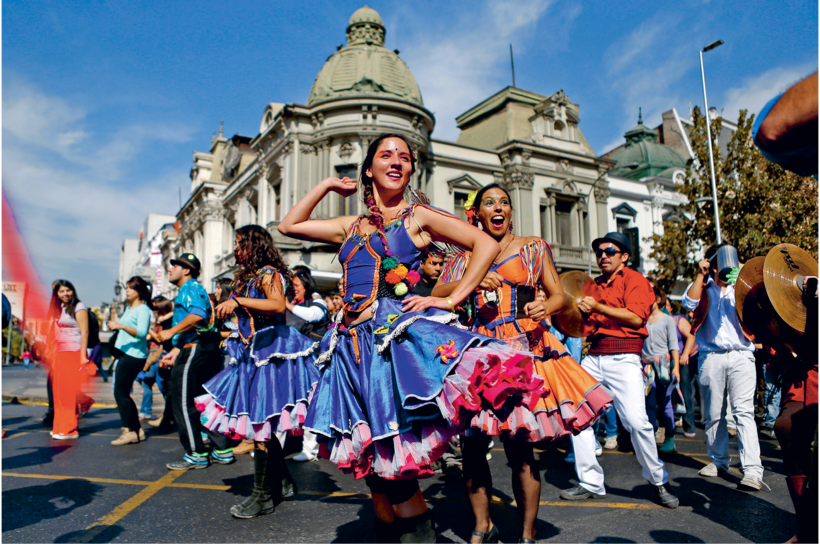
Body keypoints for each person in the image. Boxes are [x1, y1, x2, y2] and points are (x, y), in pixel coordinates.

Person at [278, 133, 550, 543]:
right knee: (373, 471)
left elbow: (482, 246)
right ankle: (394, 535)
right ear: (368, 169)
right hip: (350, 349)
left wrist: (452, 297)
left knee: (393, 459)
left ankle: (420, 535)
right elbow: (289, 225)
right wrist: (327, 186)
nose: (396, 162)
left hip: (390, 347)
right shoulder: (352, 225)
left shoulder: (418, 217)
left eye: (404, 157)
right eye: (386, 155)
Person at [434, 183, 613, 544]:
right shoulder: (463, 255)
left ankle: (527, 533)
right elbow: (438, 293)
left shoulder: (533, 247)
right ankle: (482, 526)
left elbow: (560, 293)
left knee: (520, 446)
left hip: (522, 350)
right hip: (478, 352)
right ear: (478, 214)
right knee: (471, 446)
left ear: (511, 212)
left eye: (504, 202)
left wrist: (545, 306)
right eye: (489, 202)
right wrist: (470, 281)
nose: (497, 207)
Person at [194, 225, 319, 518]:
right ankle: (284, 483)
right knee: (261, 426)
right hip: (251, 355)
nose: (236, 249)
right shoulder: (246, 278)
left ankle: (263, 497)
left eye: (240, 244)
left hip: (271, 355)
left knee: (261, 426)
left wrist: (237, 301)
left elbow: (276, 305)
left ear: (254, 244)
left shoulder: (268, 273)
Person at [561, 232, 679, 508]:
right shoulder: (592, 284)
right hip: (595, 355)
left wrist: (598, 306)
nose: (603, 255)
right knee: (578, 417)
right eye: (599, 251)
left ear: (624, 256)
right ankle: (590, 482)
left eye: (610, 251)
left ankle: (659, 480)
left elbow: (637, 317)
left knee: (637, 423)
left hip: (625, 356)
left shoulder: (635, 280)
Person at [682, 244, 764, 491]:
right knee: (714, 413)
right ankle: (719, 461)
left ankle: (752, 471)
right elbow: (689, 303)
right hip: (711, 356)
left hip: (741, 355)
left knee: (743, 412)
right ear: (712, 263)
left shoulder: (743, 286)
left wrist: (742, 275)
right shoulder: (703, 286)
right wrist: (701, 274)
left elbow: (762, 304)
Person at [155, 253, 236, 470]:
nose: (170, 270)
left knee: (183, 403)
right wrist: (176, 347)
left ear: (187, 270)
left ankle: (197, 453)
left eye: (175, 266)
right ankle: (222, 449)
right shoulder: (195, 289)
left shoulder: (189, 288)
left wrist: (170, 332)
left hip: (194, 351)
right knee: (205, 401)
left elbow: (199, 316)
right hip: (201, 349)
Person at [283, 266, 328, 463]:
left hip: (311, 362)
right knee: (284, 403)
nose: (293, 289)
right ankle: (274, 447)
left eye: (296, 285)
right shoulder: (289, 302)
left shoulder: (316, 299)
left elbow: (316, 316)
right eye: (291, 285)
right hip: (289, 361)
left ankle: (310, 449)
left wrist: (288, 305)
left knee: (309, 405)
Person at [107, 277, 153, 445]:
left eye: (131, 288)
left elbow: (142, 333)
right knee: (122, 392)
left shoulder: (143, 309)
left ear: (139, 291)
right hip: (125, 354)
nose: (127, 291)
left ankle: (130, 430)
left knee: (120, 393)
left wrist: (121, 326)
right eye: (126, 288)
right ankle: (136, 429)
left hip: (134, 356)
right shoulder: (129, 307)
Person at [46, 280, 93, 440]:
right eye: (62, 291)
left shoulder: (79, 307)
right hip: (61, 353)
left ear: (73, 291)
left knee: (67, 393)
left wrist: (82, 357)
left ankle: (70, 429)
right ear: (57, 294)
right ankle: (59, 427)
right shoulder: (61, 308)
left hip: (74, 353)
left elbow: (84, 332)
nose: (66, 294)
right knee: (58, 392)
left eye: (68, 290)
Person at [641, 286, 680, 453]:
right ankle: (649, 438)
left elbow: (673, 345)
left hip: (663, 365)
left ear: (657, 299)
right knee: (648, 403)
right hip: (646, 366)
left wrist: (676, 367)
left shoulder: (667, 320)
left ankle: (669, 438)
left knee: (665, 403)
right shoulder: (642, 319)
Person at [147, 296, 175, 431]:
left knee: (167, 388)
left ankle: (168, 418)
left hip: (168, 353)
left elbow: (162, 338)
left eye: (156, 307)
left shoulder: (170, 319)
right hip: (166, 352)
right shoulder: (164, 320)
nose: (154, 310)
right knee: (164, 386)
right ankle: (167, 416)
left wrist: (149, 329)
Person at [673, 302, 699, 438]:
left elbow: (691, 336)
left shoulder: (678, 321)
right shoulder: (653, 319)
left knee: (686, 391)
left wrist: (685, 354)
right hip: (664, 361)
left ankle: (689, 425)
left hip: (682, 361)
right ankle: (664, 425)